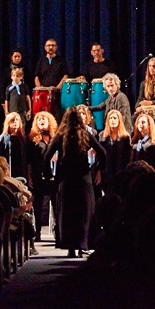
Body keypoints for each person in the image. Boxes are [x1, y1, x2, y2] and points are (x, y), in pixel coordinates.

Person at [44, 106, 106, 258]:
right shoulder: (85, 134)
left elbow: (46, 156)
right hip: (83, 179)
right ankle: (82, 245)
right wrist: (99, 170)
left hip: (65, 180)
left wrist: (49, 175)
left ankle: (70, 247)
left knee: (68, 213)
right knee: (84, 213)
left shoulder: (60, 136)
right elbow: (103, 152)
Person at [28, 111, 58, 241]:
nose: (41, 121)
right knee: (38, 205)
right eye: (39, 119)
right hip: (39, 176)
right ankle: (38, 232)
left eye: (44, 119)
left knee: (56, 205)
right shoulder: (32, 139)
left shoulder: (55, 137)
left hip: (54, 176)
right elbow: (29, 161)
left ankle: (58, 233)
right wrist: (29, 176)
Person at [98, 109, 132, 196]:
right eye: (110, 118)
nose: (112, 120)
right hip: (106, 173)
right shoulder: (102, 136)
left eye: (115, 118)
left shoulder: (125, 137)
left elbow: (128, 157)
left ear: (119, 120)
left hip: (120, 172)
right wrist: (99, 171)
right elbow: (99, 156)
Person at [0, 112, 28, 179]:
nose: (15, 122)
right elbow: (0, 155)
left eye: (17, 120)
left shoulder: (23, 138)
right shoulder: (2, 138)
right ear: (8, 123)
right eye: (13, 120)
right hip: (9, 168)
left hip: (21, 168)